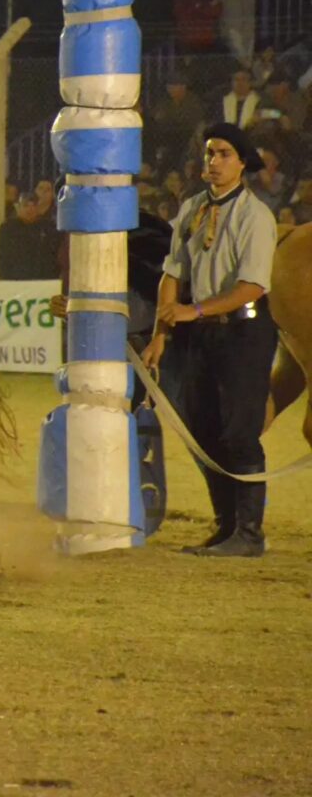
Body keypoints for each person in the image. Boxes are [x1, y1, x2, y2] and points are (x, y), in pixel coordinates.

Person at [142, 122, 277, 557]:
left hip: (244, 332)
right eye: (209, 154)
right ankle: (226, 527)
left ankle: (250, 534)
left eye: (222, 154)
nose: (213, 162)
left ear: (241, 163)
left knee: (239, 432)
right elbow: (173, 272)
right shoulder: (193, 208)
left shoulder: (255, 215)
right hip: (202, 333)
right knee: (202, 430)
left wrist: (191, 310)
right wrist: (162, 333)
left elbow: (252, 287)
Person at [0, 191, 59, 280]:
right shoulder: (8, 229)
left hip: (42, 280)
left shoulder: (47, 228)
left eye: (33, 206)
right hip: (15, 279)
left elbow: (52, 257)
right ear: (18, 207)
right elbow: (3, 258)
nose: (30, 209)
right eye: (25, 205)